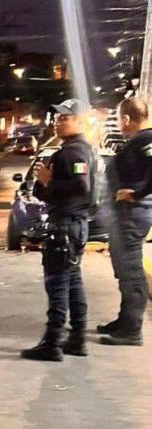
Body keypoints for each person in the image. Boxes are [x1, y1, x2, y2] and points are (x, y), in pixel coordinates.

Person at [21, 98, 94, 362]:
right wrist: (45, 184)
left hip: (65, 226)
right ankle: (77, 339)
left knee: (58, 284)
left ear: (80, 121)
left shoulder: (74, 151)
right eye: (56, 117)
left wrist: (49, 181)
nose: (57, 122)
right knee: (73, 282)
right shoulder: (74, 149)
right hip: (73, 226)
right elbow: (47, 190)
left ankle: (52, 343)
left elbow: (81, 187)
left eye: (65, 118)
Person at [97, 97, 152, 346]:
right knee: (123, 268)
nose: (119, 124)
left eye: (119, 119)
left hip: (134, 213)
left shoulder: (146, 140)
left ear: (127, 119)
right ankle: (124, 320)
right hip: (127, 214)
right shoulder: (138, 141)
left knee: (131, 271)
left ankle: (132, 329)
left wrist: (136, 193)